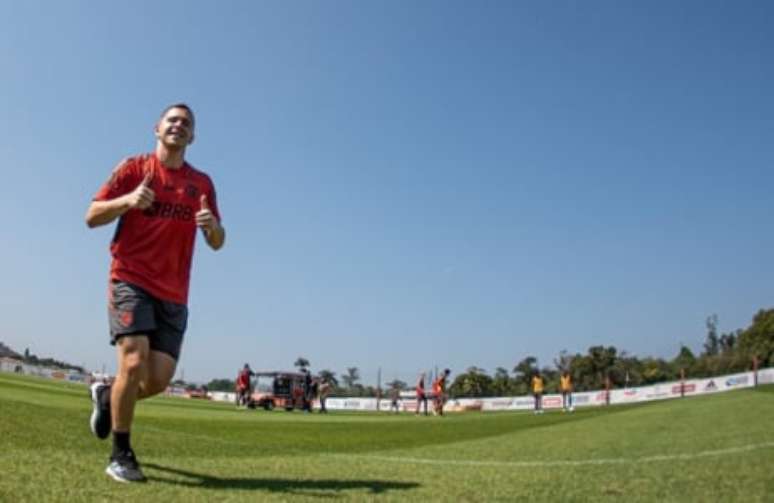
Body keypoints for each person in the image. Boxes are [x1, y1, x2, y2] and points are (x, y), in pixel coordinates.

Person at [85, 103, 225, 483]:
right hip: (130, 278)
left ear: (192, 137)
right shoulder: (133, 168)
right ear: (157, 128)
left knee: (158, 379)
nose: (179, 125)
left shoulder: (203, 184)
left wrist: (211, 226)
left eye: (186, 123)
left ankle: (104, 396)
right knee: (133, 362)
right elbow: (92, 215)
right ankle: (121, 453)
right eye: (172, 120)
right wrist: (128, 201)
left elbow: (218, 241)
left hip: (175, 293)